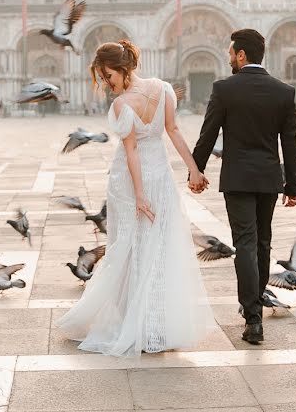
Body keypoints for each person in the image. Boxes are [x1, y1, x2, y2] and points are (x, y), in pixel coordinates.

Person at [55, 39, 216, 356]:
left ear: (121, 68)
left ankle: (144, 323)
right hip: (158, 176)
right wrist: (193, 170)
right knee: (148, 247)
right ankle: (152, 324)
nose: (107, 84)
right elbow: (174, 131)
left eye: (107, 76)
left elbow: (131, 152)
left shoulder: (122, 104)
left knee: (135, 248)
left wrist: (141, 194)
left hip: (134, 182)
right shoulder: (164, 89)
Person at [190, 28, 296, 345]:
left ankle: (253, 318)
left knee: (246, 244)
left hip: (237, 179)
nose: (228, 57)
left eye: (230, 53)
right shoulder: (283, 92)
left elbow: (208, 135)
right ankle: (254, 307)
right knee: (263, 242)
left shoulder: (225, 89)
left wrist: (195, 171)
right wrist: (292, 186)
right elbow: (289, 144)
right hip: (268, 179)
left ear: (241, 55)